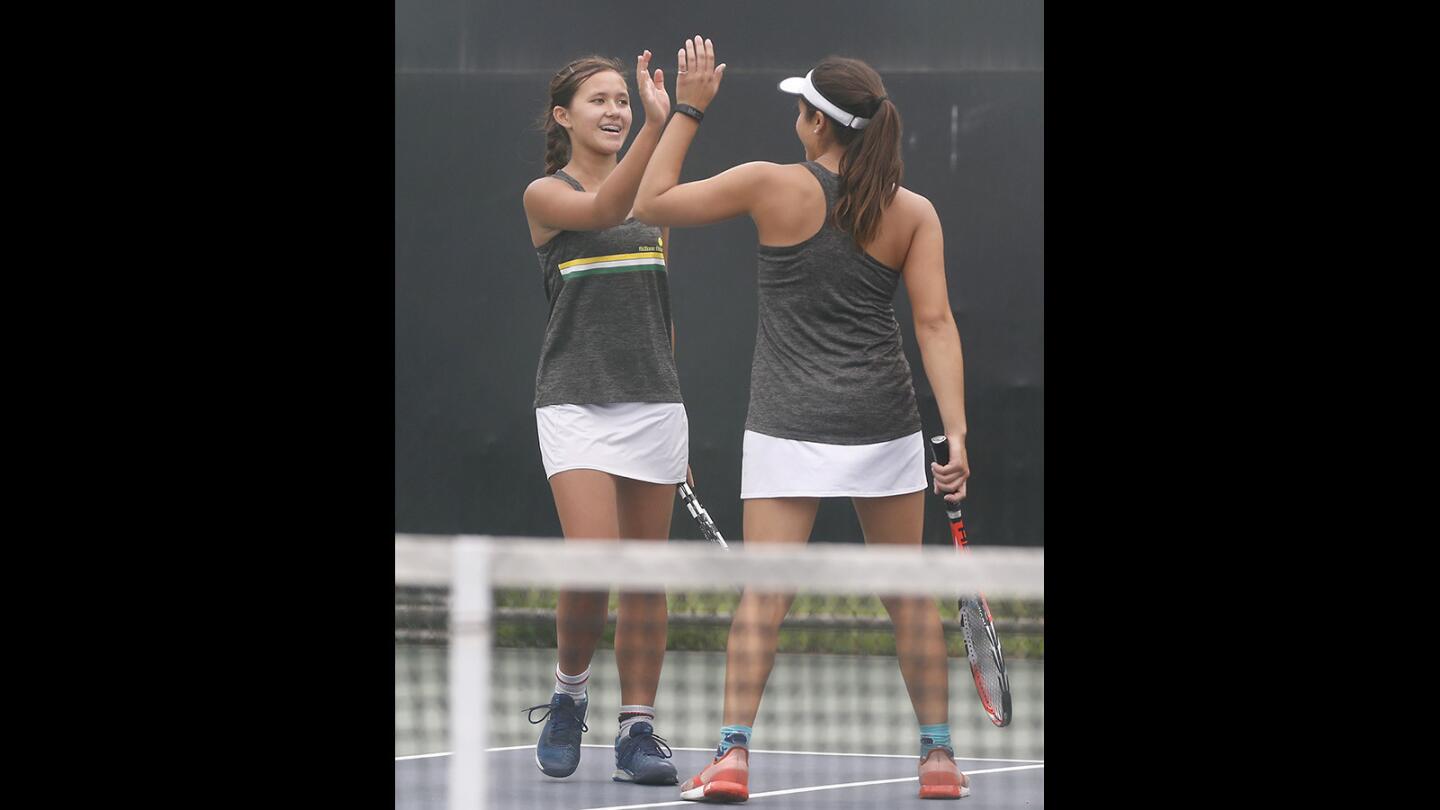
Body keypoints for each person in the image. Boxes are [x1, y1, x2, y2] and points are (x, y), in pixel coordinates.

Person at [633, 38, 973, 801]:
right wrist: (954, 433)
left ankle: (731, 755)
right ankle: (941, 759)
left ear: (820, 125)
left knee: (765, 594)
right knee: (908, 595)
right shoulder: (912, 211)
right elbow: (937, 323)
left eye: (801, 109)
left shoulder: (768, 185)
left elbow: (650, 202)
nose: (796, 119)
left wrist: (687, 109)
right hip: (884, 424)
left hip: (788, 424)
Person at [520, 50, 688, 787]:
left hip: (654, 403)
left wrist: (676, 414)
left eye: (624, 99)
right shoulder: (545, 196)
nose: (615, 110)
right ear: (564, 116)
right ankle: (569, 693)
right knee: (593, 561)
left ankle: (638, 728)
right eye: (599, 100)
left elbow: (660, 310)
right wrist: (664, 124)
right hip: (573, 400)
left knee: (645, 576)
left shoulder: (656, 201)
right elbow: (603, 211)